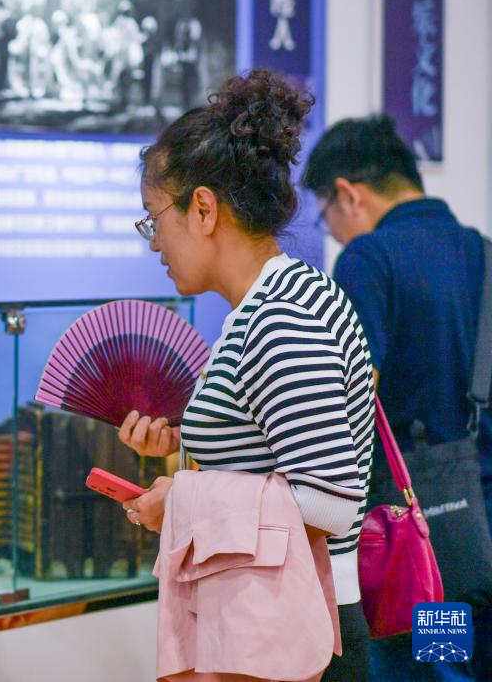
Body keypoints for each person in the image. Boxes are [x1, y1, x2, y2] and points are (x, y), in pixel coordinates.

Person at [118, 69, 376, 681]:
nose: (154, 243)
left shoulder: (280, 318)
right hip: (275, 625)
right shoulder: (276, 301)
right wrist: (183, 443)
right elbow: (272, 458)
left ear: (204, 209)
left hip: (300, 634)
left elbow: (329, 500)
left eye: (154, 218)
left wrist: (181, 500)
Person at [303, 115, 492, 680]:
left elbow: (353, 398)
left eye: (326, 217)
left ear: (347, 193)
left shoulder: (369, 259)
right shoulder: (483, 254)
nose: (334, 233)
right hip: (482, 529)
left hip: (427, 543)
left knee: (434, 671)